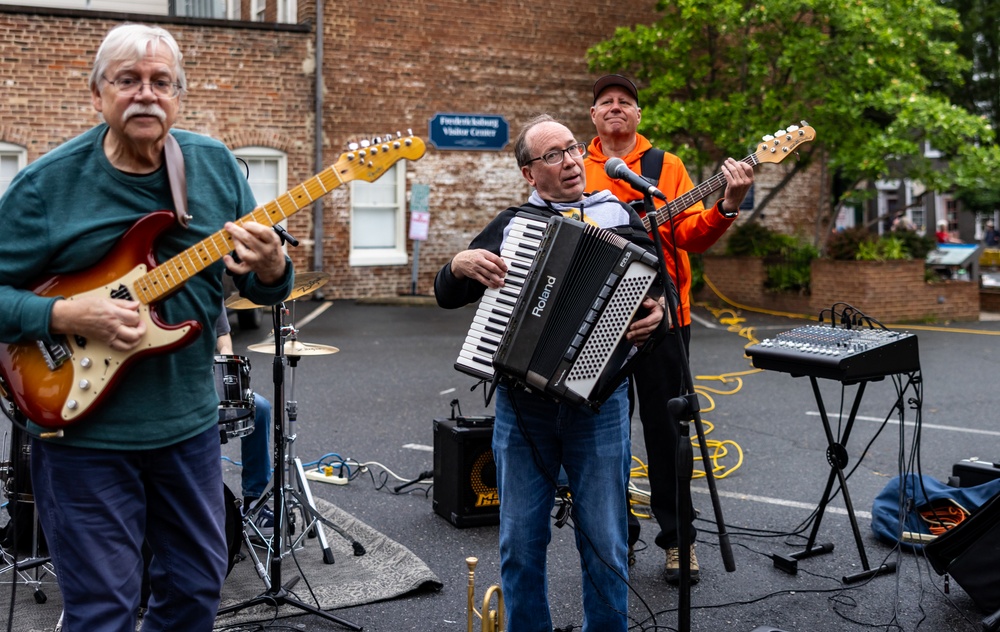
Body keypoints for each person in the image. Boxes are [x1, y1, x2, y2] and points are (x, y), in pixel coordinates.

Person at [0, 23, 293, 631]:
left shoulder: (212, 167)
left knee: (194, 592)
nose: (145, 94)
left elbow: (261, 286)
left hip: (186, 430)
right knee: (102, 611)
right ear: (97, 94)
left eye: (161, 82)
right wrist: (62, 313)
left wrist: (274, 266)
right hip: (82, 437)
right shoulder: (45, 187)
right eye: (127, 81)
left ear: (178, 96)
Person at [434, 114, 664, 632]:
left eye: (573, 149)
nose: (571, 161)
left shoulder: (619, 216)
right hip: (524, 408)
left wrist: (659, 313)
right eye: (553, 155)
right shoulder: (512, 225)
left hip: (599, 406)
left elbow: (657, 294)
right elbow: (447, 293)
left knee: (606, 543)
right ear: (528, 173)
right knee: (520, 542)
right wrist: (458, 264)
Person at [583, 74, 754, 584]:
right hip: (595, 324)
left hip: (665, 319)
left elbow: (692, 234)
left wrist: (727, 205)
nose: (616, 108)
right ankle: (618, 538)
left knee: (668, 434)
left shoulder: (666, 168)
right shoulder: (575, 165)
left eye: (626, 102)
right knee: (603, 439)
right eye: (606, 102)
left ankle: (679, 541)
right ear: (593, 115)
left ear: (639, 115)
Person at [215, 307, 274, 537]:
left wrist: (226, 357)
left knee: (259, 408)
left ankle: (253, 501)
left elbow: (222, 333)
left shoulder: (207, 284)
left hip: (206, 378)